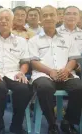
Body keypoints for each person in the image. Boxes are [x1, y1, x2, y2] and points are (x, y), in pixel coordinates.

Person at [29, 5, 82, 134]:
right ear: (40, 18)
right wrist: (50, 72)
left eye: (51, 15)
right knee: (44, 88)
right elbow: (33, 62)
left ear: (58, 17)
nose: (48, 18)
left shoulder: (68, 38)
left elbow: (73, 58)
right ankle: (52, 123)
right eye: (45, 15)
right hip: (43, 75)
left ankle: (68, 121)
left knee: (79, 88)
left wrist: (67, 70)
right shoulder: (33, 40)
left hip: (66, 73)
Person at [0, 8, 33, 134]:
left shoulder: (20, 41)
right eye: (0, 19)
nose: (4, 21)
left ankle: (16, 124)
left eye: (7, 19)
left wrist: (22, 72)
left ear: (12, 22)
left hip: (14, 73)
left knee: (24, 89)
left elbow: (25, 61)